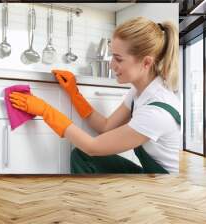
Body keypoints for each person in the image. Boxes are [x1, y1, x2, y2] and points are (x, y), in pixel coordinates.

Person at [10, 17, 181, 174]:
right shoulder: (139, 91)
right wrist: (74, 94)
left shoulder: (156, 111)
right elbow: (105, 126)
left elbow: (93, 146)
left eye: (118, 59)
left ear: (146, 62)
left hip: (163, 190)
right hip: (150, 177)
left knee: (87, 152)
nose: (112, 65)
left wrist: (46, 111)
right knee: (82, 156)